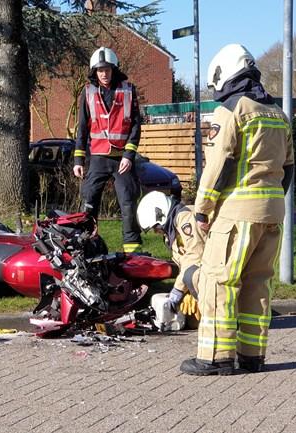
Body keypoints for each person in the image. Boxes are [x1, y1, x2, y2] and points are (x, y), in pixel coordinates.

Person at [180, 44, 294, 376]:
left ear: (225, 74)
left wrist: (202, 210)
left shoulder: (232, 110)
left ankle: (215, 358)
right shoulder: (278, 114)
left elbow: (219, 164)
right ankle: (251, 357)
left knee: (220, 282)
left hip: (236, 215)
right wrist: (270, 202)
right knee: (258, 284)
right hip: (273, 214)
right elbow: (289, 168)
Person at [74, 47, 143, 253]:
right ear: (94, 72)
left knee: (128, 204)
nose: (104, 74)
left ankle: (133, 255)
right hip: (97, 159)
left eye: (107, 69)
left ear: (114, 69)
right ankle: (86, 247)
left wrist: (129, 155)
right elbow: (82, 129)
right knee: (88, 202)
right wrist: (78, 160)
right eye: (99, 70)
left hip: (122, 160)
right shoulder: (87, 93)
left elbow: (136, 126)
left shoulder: (128, 91)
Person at [137, 191, 205, 325]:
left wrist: (179, 289)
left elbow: (195, 256)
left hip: (212, 269)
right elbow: (182, 261)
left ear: (160, 214)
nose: (156, 232)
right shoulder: (173, 228)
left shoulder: (185, 218)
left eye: (156, 227)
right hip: (202, 271)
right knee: (191, 322)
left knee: (190, 277)